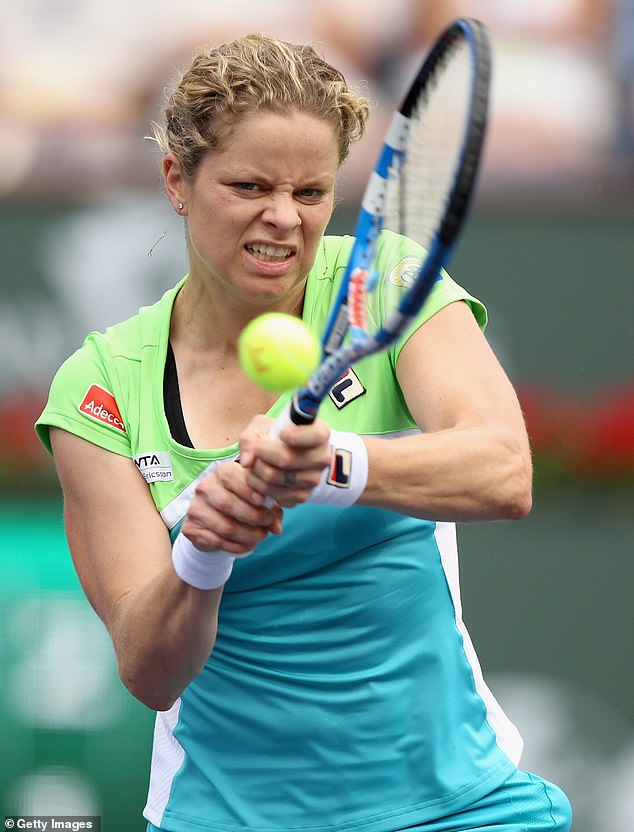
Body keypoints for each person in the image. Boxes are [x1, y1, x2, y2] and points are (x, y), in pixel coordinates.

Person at [35, 33, 572, 832]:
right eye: (249, 185)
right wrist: (202, 553)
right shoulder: (101, 385)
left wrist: (337, 464)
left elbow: (502, 470)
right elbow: (149, 671)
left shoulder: (387, 279)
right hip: (225, 817)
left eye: (313, 192)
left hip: (461, 807)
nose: (283, 218)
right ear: (177, 180)